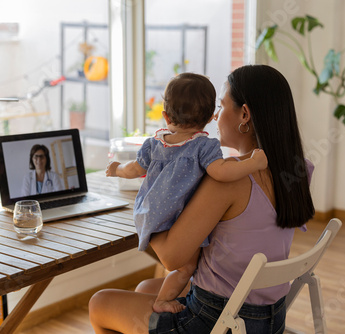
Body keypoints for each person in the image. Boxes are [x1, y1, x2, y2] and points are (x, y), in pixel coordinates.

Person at [89, 64, 315, 334]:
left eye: (221, 106)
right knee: (147, 289)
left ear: (244, 114)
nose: (216, 116)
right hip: (268, 318)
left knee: (99, 303)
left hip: (217, 320)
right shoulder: (299, 168)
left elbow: (172, 259)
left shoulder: (228, 182)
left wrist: (148, 208)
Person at [106, 73, 267, 314]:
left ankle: (164, 300)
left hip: (148, 215)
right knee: (185, 268)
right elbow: (221, 172)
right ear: (210, 118)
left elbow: (134, 170)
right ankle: (162, 301)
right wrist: (254, 163)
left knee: (161, 276)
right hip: (177, 217)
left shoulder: (154, 143)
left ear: (166, 116)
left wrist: (117, 169)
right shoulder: (204, 146)